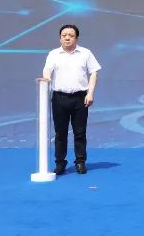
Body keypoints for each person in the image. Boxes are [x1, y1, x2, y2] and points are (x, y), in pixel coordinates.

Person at [42, 24, 101, 175]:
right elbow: (47, 70)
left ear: (76, 38)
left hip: (80, 98)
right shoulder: (54, 54)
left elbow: (94, 73)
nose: (67, 38)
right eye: (64, 35)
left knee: (80, 132)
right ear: (60, 38)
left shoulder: (85, 53)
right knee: (60, 133)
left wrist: (90, 93)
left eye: (71, 35)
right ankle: (60, 163)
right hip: (59, 98)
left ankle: (80, 162)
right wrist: (46, 80)